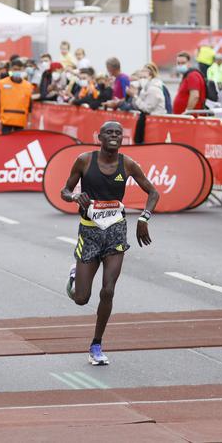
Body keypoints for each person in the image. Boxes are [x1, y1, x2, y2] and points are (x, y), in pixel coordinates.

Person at [61, 121, 159, 365]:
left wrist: (144, 218)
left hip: (116, 232)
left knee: (108, 290)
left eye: (118, 133)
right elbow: (65, 190)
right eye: (109, 133)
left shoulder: (128, 164)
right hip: (90, 233)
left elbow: (153, 192)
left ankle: (96, 344)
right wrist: (75, 197)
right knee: (82, 298)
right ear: (99, 137)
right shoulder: (84, 160)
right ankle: (75, 277)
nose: (114, 136)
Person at [0, 59, 32, 134]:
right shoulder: (2, 83)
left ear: (23, 70)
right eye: (15, 69)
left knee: (19, 144)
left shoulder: (28, 86)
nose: (17, 71)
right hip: (6, 120)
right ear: (10, 69)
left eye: (19, 69)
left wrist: (29, 121)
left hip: (20, 121)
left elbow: (30, 106)